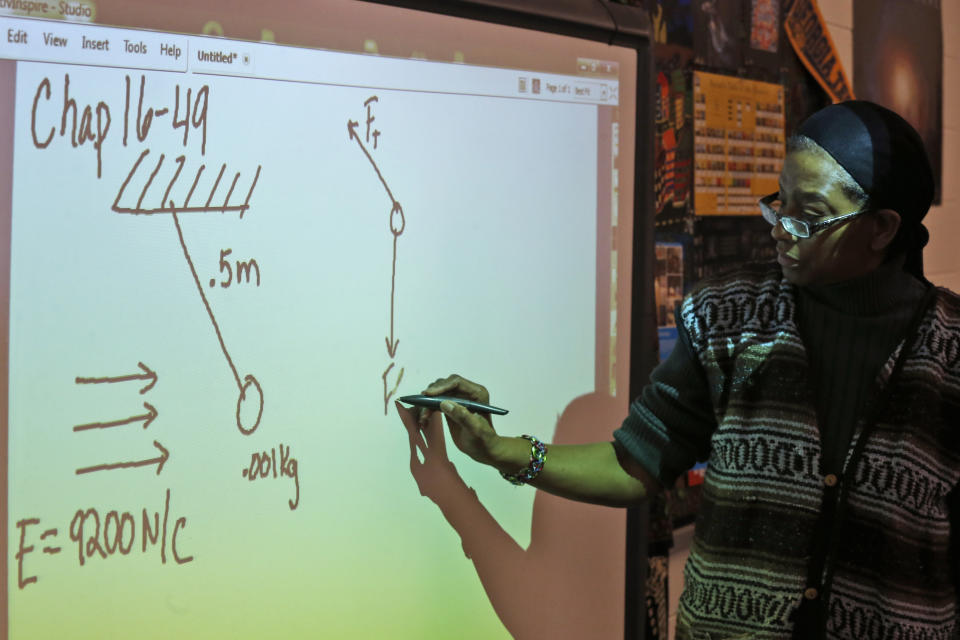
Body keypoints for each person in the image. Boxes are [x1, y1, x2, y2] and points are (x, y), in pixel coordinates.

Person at [403, 100, 960, 639]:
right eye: (778, 202)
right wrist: (502, 451)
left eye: (807, 216)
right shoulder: (728, 315)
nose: (779, 227)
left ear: (883, 228)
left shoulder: (948, 349)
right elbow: (637, 463)